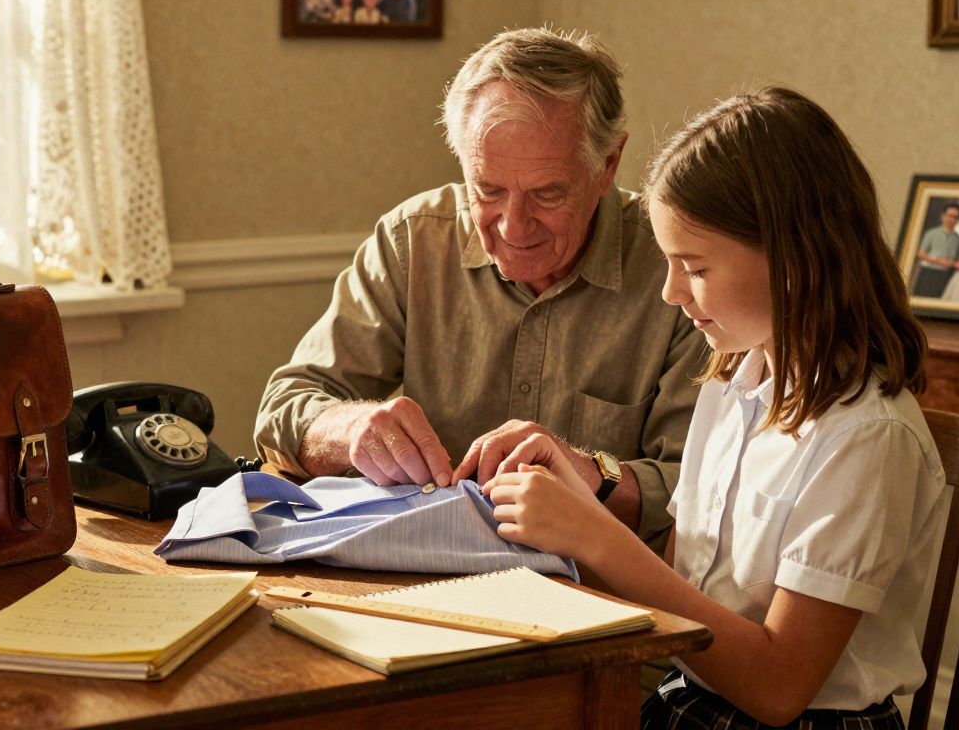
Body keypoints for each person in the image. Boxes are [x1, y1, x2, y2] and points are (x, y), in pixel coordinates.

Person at [482, 87, 947, 728]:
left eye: (695, 268)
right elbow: (679, 599)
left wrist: (594, 535)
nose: (671, 292)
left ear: (793, 260)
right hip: (692, 703)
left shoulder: (866, 437)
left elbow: (778, 690)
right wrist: (579, 505)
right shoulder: (732, 384)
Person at [254, 28, 706, 553]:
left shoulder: (678, 268)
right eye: (487, 189)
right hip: (422, 566)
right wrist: (352, 429)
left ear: (607, 165)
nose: (513, 227)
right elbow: (283, 410)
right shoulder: (414, 241)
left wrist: (587, 473)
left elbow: (703, 489)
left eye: (547, 194)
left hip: (600, 582)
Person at [912, 203, 959, 298]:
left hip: (946, 275)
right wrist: (939, 261)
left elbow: (958, 259)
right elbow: (920, 253)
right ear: (942, 216)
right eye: (949, 215)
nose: (951, 219)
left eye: (955, 217)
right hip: (929, 272)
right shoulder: (931, 233)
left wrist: (952, 264)